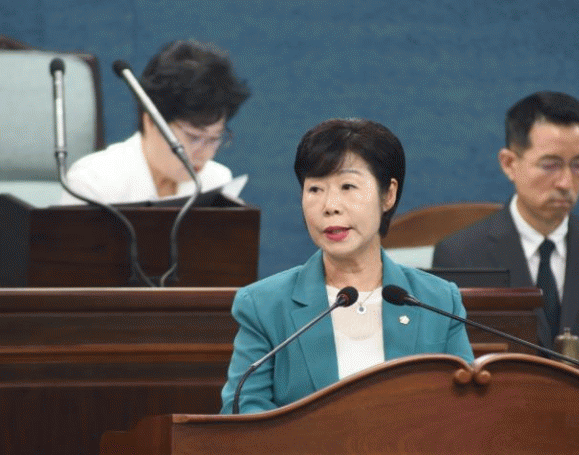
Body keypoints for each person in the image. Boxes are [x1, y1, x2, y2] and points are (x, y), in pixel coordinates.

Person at [221, 118, 474, 414]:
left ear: (388, 194)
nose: (330, 206)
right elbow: (243, 413)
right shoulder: (264, 305)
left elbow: (466, 411)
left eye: (347, 186)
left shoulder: (438, 301)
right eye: (315, 189)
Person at [433, 91, 579, 364]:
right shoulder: (460, 255)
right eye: (550, 165)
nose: (565, 182)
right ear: (509, 164)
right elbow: (449, 365)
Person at [58, 40, 250, 205]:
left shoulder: (215, 181)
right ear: (151, 121)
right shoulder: (93, 182)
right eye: (193, 137)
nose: (204, 154)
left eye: (214, 139)